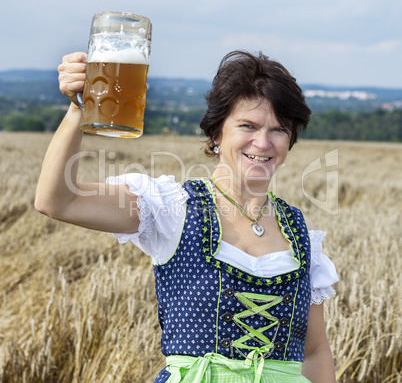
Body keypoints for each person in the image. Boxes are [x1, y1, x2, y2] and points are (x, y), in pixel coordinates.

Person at [35, 50, 339, 382]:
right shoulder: (172, 209)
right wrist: (79, 107)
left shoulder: (299, 233)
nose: (262, 142)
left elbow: (314, 351)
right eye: (247, 126)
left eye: (278, 130)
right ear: (216, 132)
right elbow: (58, 201)